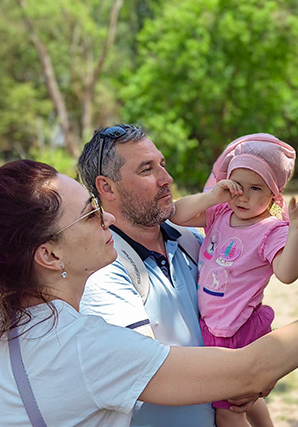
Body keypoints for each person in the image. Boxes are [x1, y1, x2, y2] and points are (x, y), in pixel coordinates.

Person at [0, 159, 298, 426]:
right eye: (92, 215)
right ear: (49, 257)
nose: (110, 221)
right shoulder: (78, 346)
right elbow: (250, 371)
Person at [170, 133, 298, 427]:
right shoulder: (218, 212)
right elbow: (176, 214)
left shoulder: (271, 230)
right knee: (245, 398)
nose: (243, 196)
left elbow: (287, 273)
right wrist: (213, 196)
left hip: (235, 329)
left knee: (229, 410)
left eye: (256, 188)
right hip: (214, 325)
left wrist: (297, 230)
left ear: (274, 193)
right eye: (237, 186)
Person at [76, 124, 214, 426]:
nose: (167, 179)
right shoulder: (101, 270)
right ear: (107, 187)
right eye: (147, 169)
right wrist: (245, 372)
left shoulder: (193, 240)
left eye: (162, 164)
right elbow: (148, 375)